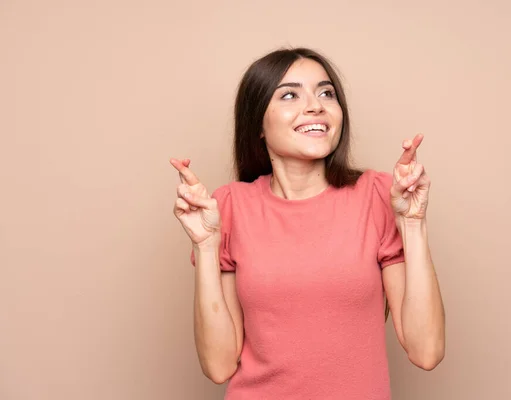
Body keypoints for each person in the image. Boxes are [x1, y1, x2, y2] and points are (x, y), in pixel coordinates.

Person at [170, 47, 445, 400]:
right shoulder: (229, 206)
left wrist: (413, 223)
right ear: (257, 125)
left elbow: (427, 351)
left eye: (326, 93)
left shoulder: (376, 195)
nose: (316, 105)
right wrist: (206, 247)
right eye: (289, 94)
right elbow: (218, 366)